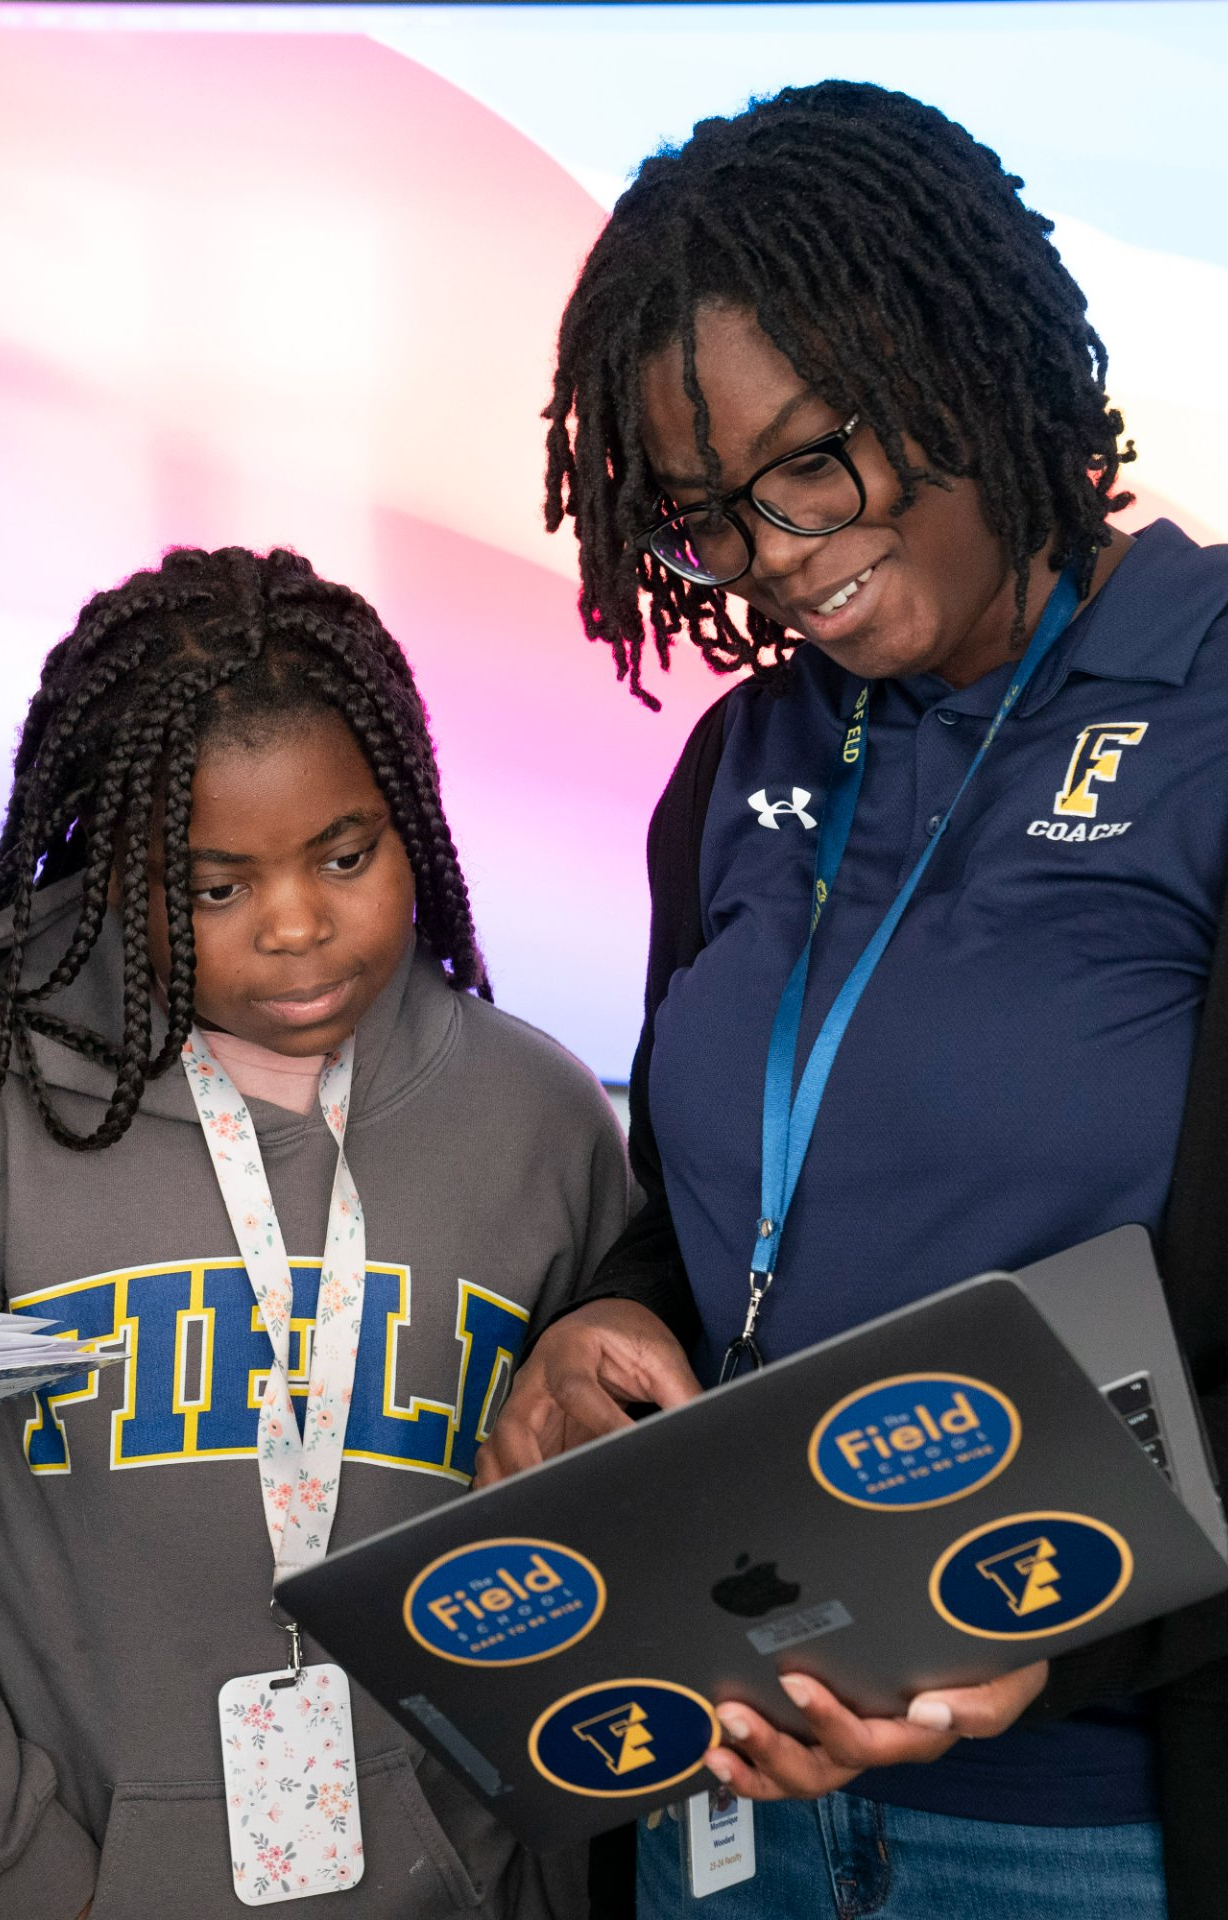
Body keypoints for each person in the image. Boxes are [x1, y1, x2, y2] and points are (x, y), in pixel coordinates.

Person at [479, 80, 1228, 1920]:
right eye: (709, 516)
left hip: (1092, 1818)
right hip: (727, 1788)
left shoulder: (1211, 710)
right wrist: (607, 1322)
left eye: (812, 462)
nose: (778, 552)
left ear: (969, 365)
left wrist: (1062, 1638)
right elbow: (734, 1207)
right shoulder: (746, 763)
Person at [0, 545, 631, 1920]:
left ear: (414, 822)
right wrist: (24, 1881)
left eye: (348, 854)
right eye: (213, 887)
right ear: (110, 863)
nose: (297, 927)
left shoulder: (539, 1122)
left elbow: (598, 1553)